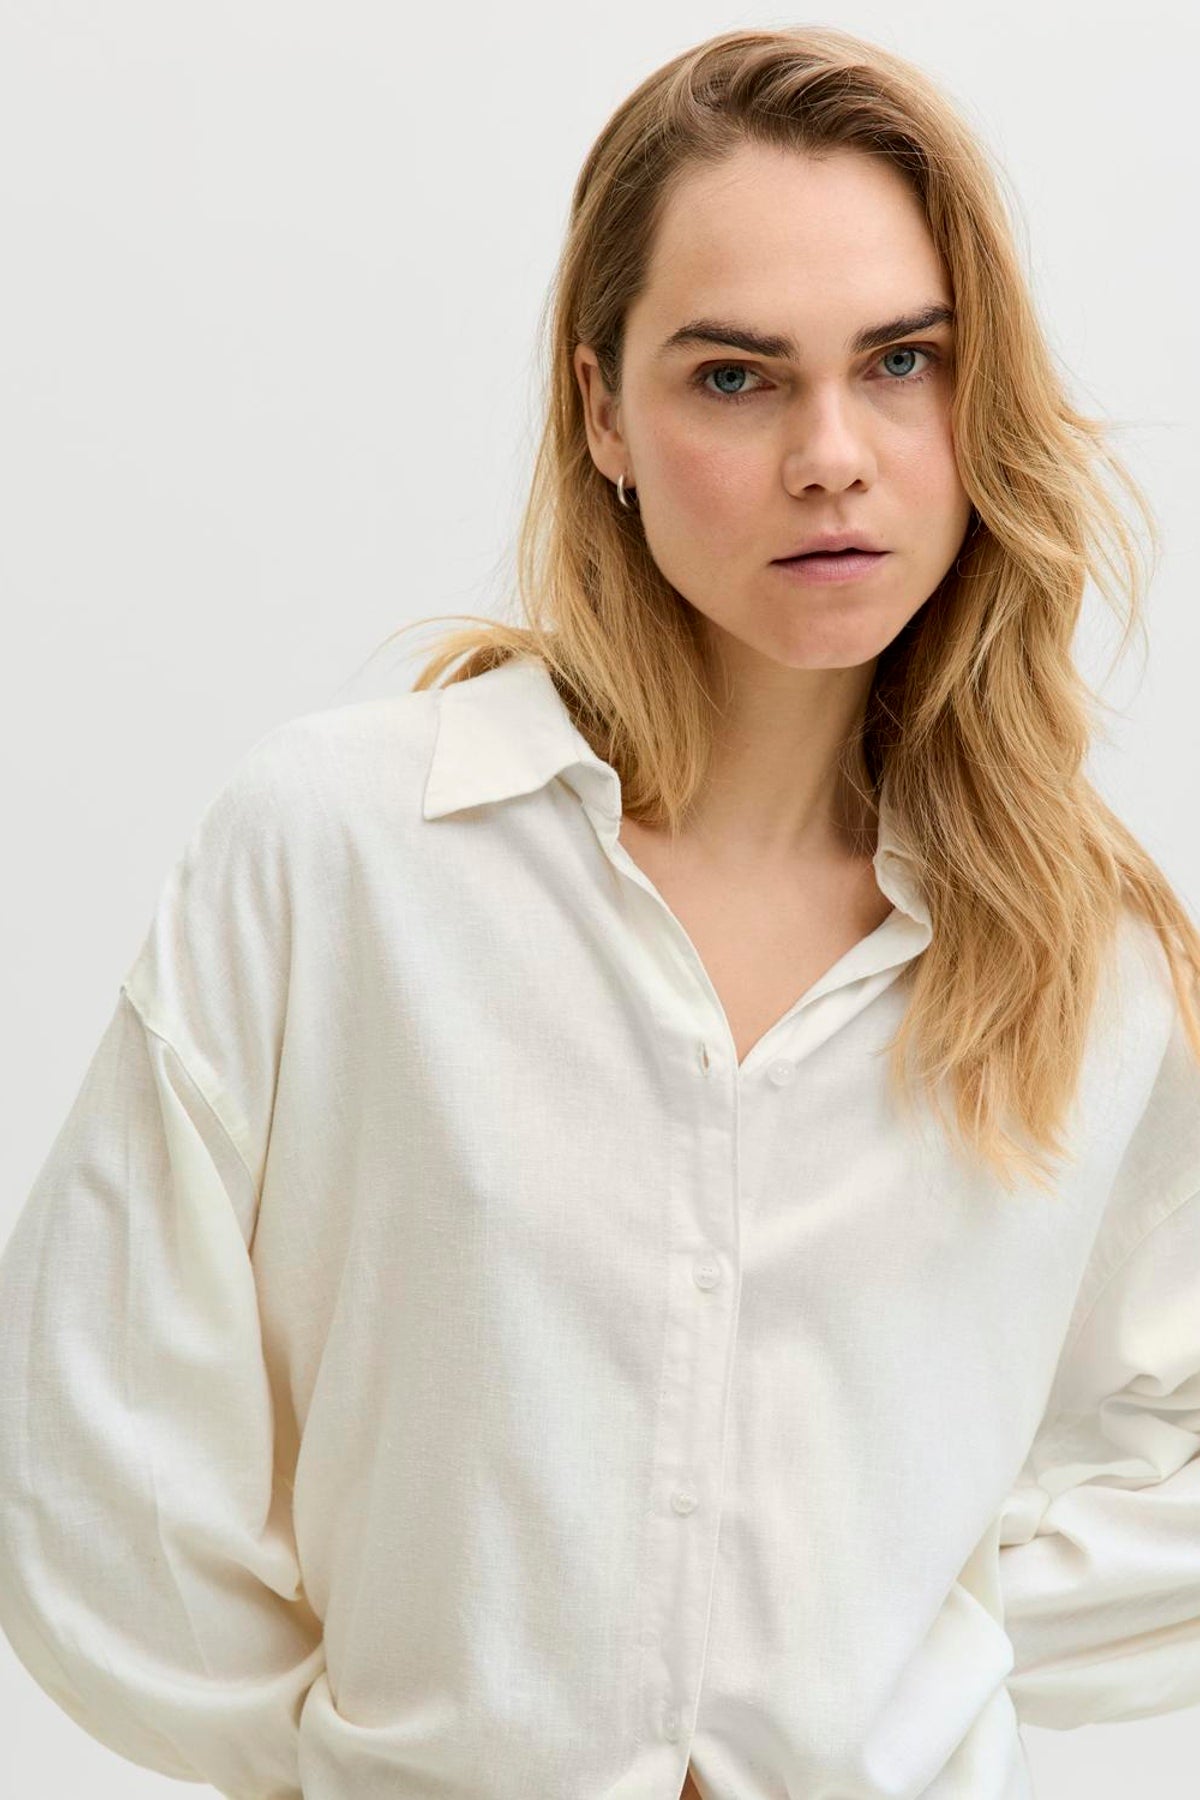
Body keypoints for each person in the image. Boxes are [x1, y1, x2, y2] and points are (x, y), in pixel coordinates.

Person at [1, 23, 1199, 1800]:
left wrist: (915, 1635)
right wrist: (365, 1758)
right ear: (602, 412)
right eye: (735, 377)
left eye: (902, 361)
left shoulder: (1084, 959)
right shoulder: (340, 858)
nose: (832, 454)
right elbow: (82, 1461)